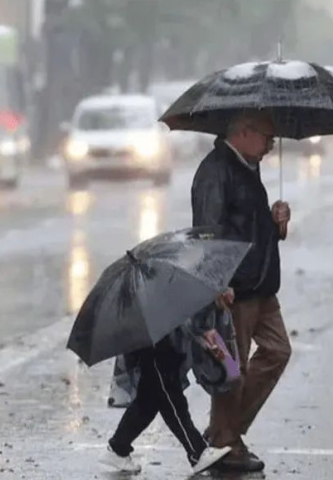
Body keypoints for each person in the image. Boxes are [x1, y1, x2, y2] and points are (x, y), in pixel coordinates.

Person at [190, 110, 292, 473]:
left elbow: (247, 225)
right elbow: (208, 232)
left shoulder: (248, 166)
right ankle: (225, 444)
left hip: (261, 286)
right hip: (236, 289)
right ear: (244, 132)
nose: (271, 145)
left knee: (278, 351)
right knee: (234, 368)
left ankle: (224, 431)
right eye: (267, 137)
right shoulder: (216, 171)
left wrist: (275, 222)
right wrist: (218, 281)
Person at [101, 308, 234, 475]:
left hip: (159, 337)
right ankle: (197, 452)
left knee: (147, 402)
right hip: (153, 342)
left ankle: (118, 448)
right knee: (171, 397)